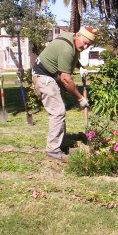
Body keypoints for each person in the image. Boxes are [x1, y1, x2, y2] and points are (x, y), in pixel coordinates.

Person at [32, 26, 97, 161]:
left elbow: (69, 58)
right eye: (84, 42)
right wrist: (80, 98)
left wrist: (81, 67)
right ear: (78, 35)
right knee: (58, 112)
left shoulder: (71, 38)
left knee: (60, 110)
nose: (85, 46)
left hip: (48, 75)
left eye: (88, 45)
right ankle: (53, 151)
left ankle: (60, 144)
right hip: (44, 77)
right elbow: (66, 80)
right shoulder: (67, 48)